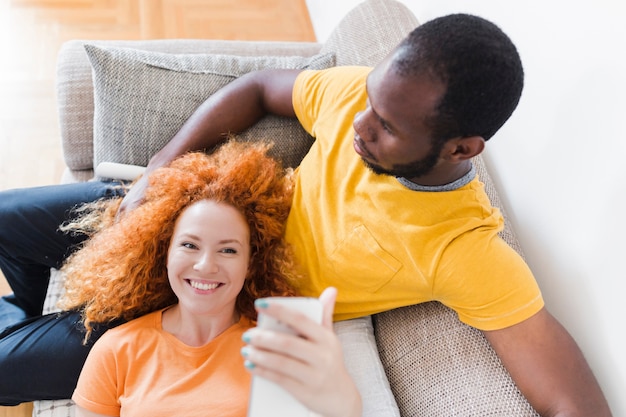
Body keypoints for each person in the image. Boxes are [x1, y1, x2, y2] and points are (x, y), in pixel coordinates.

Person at [0, 12, 612, 416]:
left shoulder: (461, 248)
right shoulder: (359, 101)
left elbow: (574, 401)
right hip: (198, 219)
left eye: (388, 128)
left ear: (462, 148)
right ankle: (26, 308)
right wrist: (162, 166)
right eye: (370, 101)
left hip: (213, 306)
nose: (358, 128)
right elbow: (261, 86)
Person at [59, 141, 361, 417]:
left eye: (228, 250)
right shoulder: (115, 350)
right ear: (164, 251)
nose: (206, 265)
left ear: (250, 263)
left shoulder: (272, 350)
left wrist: (341, 400)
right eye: (190, 245)